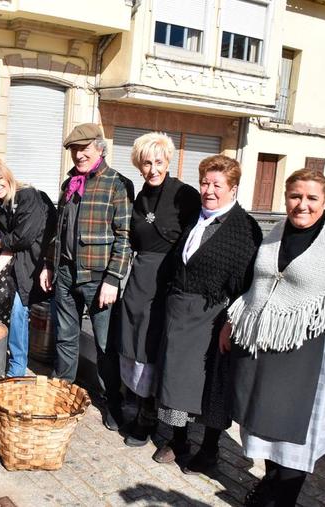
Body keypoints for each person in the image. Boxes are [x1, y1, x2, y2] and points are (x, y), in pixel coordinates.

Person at [224, 169, 325, 506]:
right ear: (286, 198)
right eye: (295, 196)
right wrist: (236, 319)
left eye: (311, 198)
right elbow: (262, 284)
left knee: (296, 438)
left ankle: (283, 499)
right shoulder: (276, 231)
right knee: (266, 427)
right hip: (270, 348)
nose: (302, 205)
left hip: (310, 355)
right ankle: (268, 487)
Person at [154, 155, 262, 473]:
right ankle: (179, 439)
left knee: (212, 384)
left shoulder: (244, 229)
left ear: (233, 188)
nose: (209, 190)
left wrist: (230, 322)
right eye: (204, 182)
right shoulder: (194, 219)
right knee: (175, 379)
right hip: (179, 312)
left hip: (214, 318)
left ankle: (211, 449)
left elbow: (246, 286)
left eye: (217, 184)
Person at [40, 123, 133, 430]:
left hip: (99, 279)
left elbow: (124, 237)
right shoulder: (70, 183)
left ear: (99, 148)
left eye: (84, 149)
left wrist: (113, 279)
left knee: (106, 345)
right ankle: (63, 392)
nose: (78, 155)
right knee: (65, 337)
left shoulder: (117, 184)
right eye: (74, 150)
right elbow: (58, 230)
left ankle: (111, 403)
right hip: (66, 273)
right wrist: (49, 265)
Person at [116, 132, 200, 447]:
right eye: (147, 163)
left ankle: (153, 418)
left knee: (157, 348)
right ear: (139, 165)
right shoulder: (139, 198)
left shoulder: (185, 195)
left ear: (168, 161)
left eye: (159, 162)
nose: (153, 169)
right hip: (140, 280)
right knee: (136, 345)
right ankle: (138, 407)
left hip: (169, 281)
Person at [0, 158, 56, 377]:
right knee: (19, 312)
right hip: (23, 262)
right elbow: (13, 247)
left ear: (7, 176)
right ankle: (17, 366)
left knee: (21, 311)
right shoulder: (1, 206)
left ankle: (17, 369)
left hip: (40, 262)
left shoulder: (27, 195)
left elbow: (23, 238)